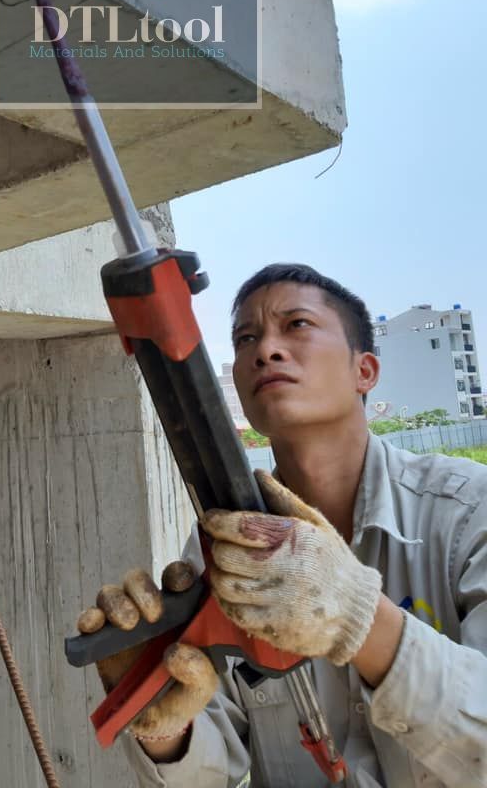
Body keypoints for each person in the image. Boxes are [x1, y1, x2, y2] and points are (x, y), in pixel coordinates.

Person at [77, 264, 487, 788]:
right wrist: (165, 724)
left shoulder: (468, 513)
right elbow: (209, 776)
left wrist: (357, 617)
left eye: (297, 325)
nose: (265, 350)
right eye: (245, 338)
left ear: (364, 370)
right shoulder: (224, 549)